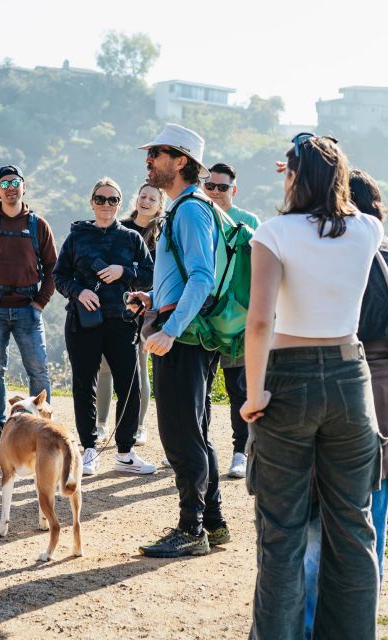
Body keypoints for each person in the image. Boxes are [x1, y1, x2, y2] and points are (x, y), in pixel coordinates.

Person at [241, 134, 384, 639]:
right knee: (353, 527)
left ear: (292, 176)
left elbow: (259, 322)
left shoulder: (274, 233)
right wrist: (319, 163)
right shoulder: (368, 229)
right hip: (350, 379)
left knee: (281, 535)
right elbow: (343, 190)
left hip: (288, 379)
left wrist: (254, 394)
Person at [303, 168, 388, 635]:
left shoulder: (336, 255)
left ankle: (309, 628)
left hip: (337, 386)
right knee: (372, 536)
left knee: (315, 533)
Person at [136, 124, 228, 558]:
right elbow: (182, 279)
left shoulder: (190, 210)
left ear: (181, 161)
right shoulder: (186, 208)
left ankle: (191, 530)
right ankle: (213, 522)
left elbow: (203, 277)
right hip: (188, 333)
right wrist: (152, 297)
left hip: (183, 337)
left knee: (180, 434)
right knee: (197, 430)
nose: (149, 160)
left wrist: (169, 332)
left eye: (157, 153)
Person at [53, 177, 155, 476]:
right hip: (84, 322)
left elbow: (149, 275)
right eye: (101, 199)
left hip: (122, 322)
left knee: (130, 386)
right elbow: (59, 276)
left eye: (112, 200)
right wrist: (78, 291)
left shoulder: (131, 239)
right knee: (85, 385)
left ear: (120, 204)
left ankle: (125, 452)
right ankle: (88, 450)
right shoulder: (76, 238)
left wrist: (124, 270)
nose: (106, 205)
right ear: (92, 202)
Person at [0, 165, 57, 449]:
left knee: (38, 370)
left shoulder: (38, 225)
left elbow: (53, 267)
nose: (11, 187)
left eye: (15, 182)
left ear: (24, 187)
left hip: (29, 308)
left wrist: (40, 303)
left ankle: (42, 427)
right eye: (5, 184)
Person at [94, 182, 165, 446]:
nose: (146, 202)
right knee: (104, 368)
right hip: (113, 307)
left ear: (160, 205)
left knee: (139, 369)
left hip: (146, 309)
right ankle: (100, 425)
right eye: (143, 196)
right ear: (136, 199)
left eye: (153, 199)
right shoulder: (119, 228)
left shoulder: (163, 234)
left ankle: (138, 426)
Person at [203, 162, 261, 479]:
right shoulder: (197, 217)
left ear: (233, 190)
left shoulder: (249, 222)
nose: (214, 191)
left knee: (238, 387)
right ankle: (200, 446)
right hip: (201, 316)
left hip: (237, 318)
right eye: (209, 185)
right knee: (201, 386)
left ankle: (241, 452)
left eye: (222, 187)